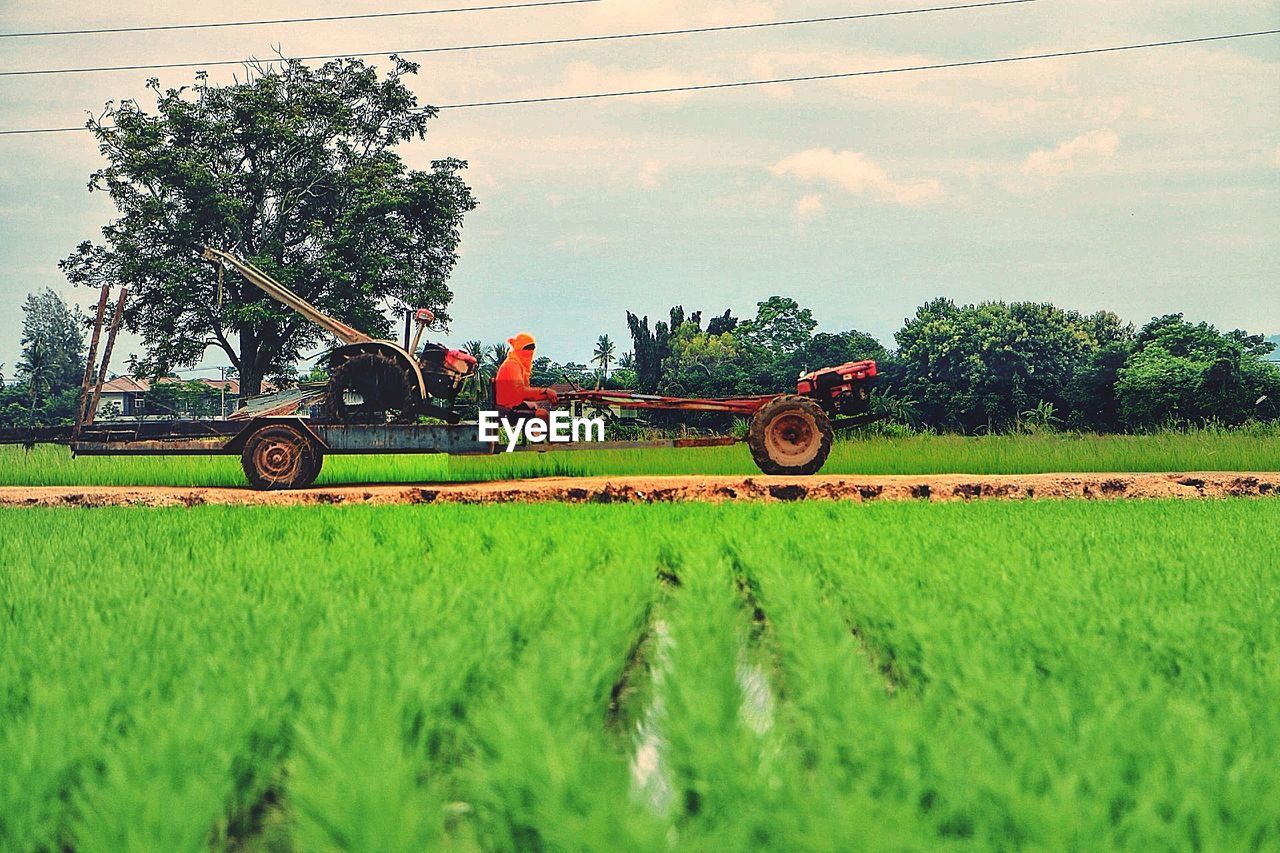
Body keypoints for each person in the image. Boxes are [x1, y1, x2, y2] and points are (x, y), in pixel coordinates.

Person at [494, 332, 558, 421]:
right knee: (542, 415)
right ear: (518, 348)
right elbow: (521, 392)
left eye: (532, 348)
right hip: (506, 408)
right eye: (526, 348)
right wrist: (545, 391)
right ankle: (545, 435)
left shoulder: (521, 366)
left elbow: (523, 393)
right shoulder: (512, 365)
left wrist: (547, 395)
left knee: (540, 411)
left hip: (513, 404)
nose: (530, 351)